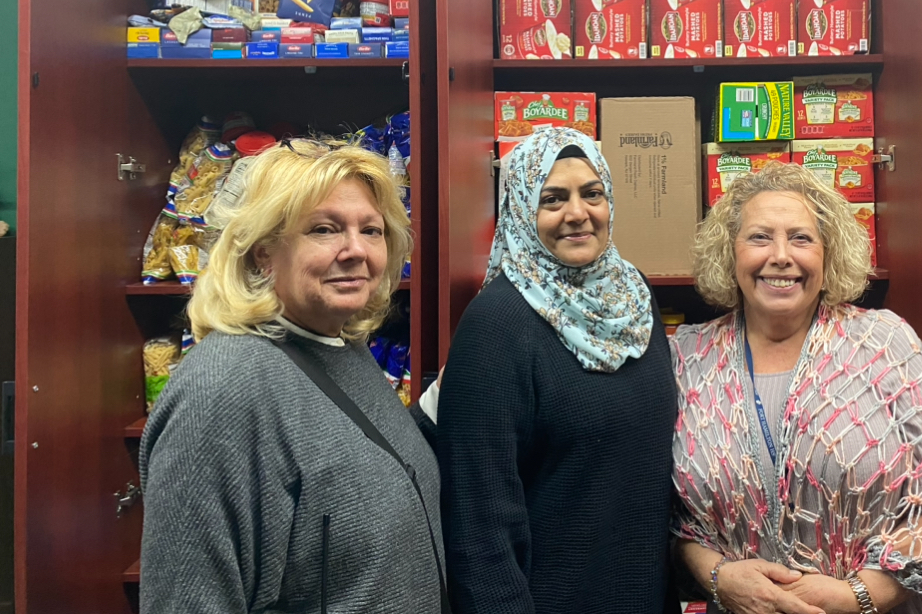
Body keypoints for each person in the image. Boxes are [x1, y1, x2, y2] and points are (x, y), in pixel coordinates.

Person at [673, 163, 922, 614]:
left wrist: (861, 595)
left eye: (801, 238)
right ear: (728, 254)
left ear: (829, 255)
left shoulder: (884, 342)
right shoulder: (686, 357)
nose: (781, 256)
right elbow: (666, 517)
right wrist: (719, 577)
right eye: (759, 237)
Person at [139, 138, 447, 614]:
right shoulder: (223, 388)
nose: (356, 250)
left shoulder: (339, 344)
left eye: (372, 230)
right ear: (263, 250)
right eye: (324, 230)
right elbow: (188, 597)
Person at [435, 126, 677, 614]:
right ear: (522, 209)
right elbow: (476, 522)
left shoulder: (634, 295)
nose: (577, 214)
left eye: (592, 194)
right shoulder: (496, 324)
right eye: (552, 199)